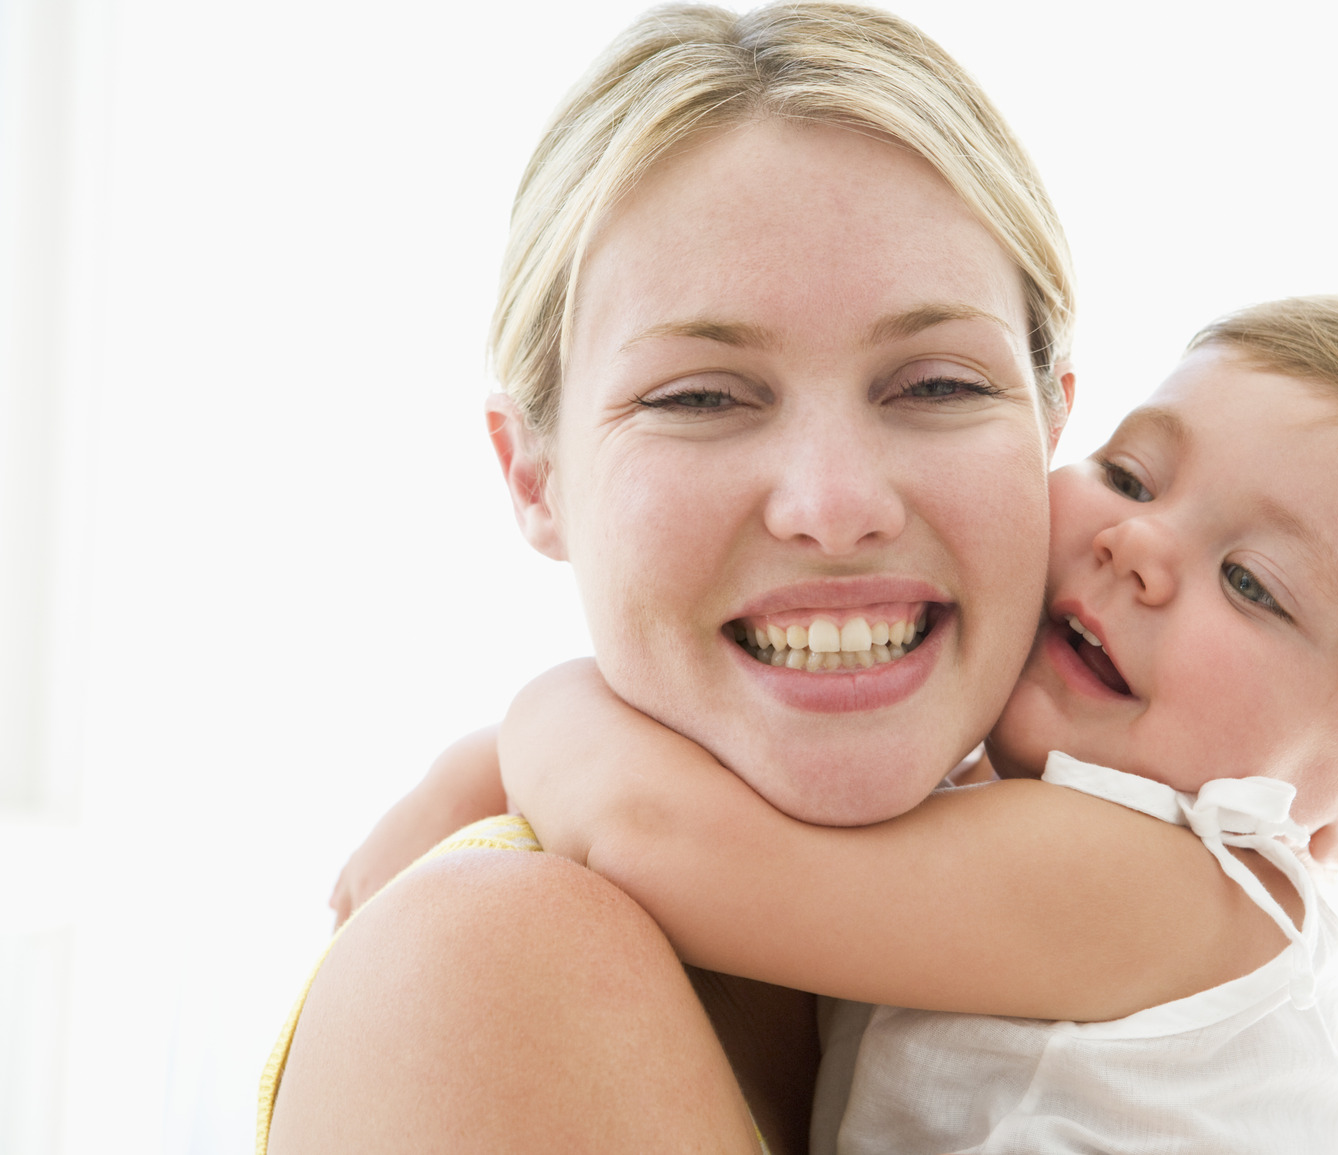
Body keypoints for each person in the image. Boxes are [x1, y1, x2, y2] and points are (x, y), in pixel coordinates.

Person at [487, 296, 1338, 1153]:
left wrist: (525, 724)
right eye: (1130, 475)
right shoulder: (1018, 816)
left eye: (1253, 584)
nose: (1138, 544)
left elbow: (658, 837)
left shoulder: (1179, 890)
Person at [262, 4, 1075, 1152]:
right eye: (699, 397)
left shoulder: (1137, 901)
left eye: (937, 387)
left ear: (1052, 430)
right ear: (534, 476)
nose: (835, 508)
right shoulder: (497, 964)